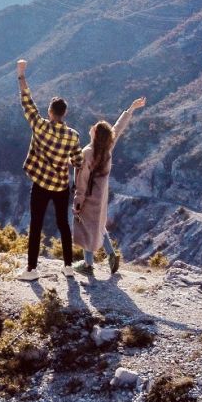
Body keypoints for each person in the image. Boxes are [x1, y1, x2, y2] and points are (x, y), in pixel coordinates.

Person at [15, 59, 83, 281]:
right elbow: (77, 161)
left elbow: (27, 101)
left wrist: (22, 74)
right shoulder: (73, 136)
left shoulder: (40, 125)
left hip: (41, 184)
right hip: (61, 186)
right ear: (64, 114)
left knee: (36, 224)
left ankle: (32, 270)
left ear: (50, 112)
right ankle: (68, 266)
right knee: (63, 224)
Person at [72, 96, 146, 276]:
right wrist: (131, 109)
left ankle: (88, 265)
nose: (91, 128)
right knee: (98, 224)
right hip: (102, 195)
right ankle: (112, 255)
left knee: (88, 227)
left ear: (95, 134)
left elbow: (82, 179)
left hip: (89, 196)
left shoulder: (88, 152)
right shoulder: (107, 147)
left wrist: (78, 200)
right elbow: (117, 129)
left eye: (94, 128)